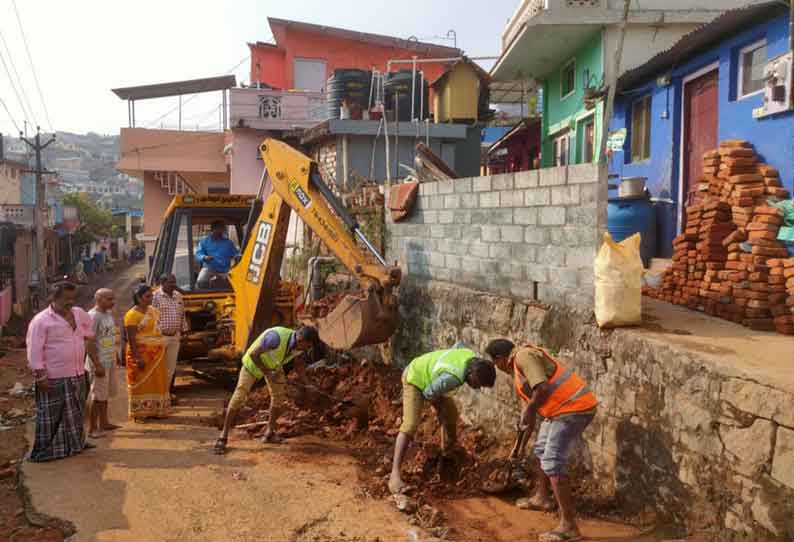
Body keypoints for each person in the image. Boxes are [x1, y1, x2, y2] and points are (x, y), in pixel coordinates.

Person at [485, 339, 598, 542]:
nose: (496, 368)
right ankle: (542, 498)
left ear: (500, 359)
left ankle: (569, 526)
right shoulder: (517, 374)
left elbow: (542, 388)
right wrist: (518, 446)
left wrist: (530, 409)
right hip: (557, 411)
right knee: (540, 451)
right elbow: (526, 417)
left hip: (573, 408)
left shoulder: (523, 356)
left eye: (495, 363)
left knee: (553, 462)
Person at [388, 348, 496, 495]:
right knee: (410, 424)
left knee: (451, 414)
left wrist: (444, 411)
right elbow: (428, 393)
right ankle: (394, 475)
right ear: (472, 374)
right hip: (415, 378)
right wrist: (439, 409)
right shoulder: (453, 378)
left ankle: (448, 453)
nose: (477, 387)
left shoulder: (470, 355)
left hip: (431, 378)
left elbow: (457, 345)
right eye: (478, 383)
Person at [26, 282, 105, 462]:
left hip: (77, 373)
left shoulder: (79, 314)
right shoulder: (41, 321)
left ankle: (76, 444)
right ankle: (45, 451)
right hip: (53, 377)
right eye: (66, 299)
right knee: (51, 416)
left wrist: (94, 359)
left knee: (76, 413)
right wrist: (40, 375)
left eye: (72, 298)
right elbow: (34, 351)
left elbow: (89, 336)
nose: (70, 302)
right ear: (54, 298)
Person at [214, 326, 319, 455]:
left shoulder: (299, 346)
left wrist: (307, 384)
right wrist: (268, 372)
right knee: (239, 396)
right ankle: (223, 436)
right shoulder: (276, 338)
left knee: (279, 397)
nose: (307, 350)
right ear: (301, 340)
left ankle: (269, 433)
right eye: (307, 346)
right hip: (252, 364)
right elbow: (254, 354)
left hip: (273, 366)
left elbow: (298, 365)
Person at [124, 284, 170, 421]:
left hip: (157, 354)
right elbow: (131, 339)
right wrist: (137, 358)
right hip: (141, 353)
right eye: (147, 296)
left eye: (151, 296)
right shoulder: (131, 315)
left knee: (158, 381)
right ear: (138, 298)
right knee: (141, 382)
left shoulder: (153, 311)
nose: (150, 299)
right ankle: (140, 413)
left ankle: (157, 410)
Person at [85, 288, 122, 438]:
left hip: (109, 358)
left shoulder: (107, 314)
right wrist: (97, 364)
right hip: (99, 362)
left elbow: (109, 336)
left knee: (105, 393)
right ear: (98, 299)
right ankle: (92, 428)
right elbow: (89, 342)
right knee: (97, 395)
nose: (112, 302)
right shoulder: (93, 316)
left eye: (113, 299)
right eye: (109, 299)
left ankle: (104, 422)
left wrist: (116, 354)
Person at [152, 273, 187, 403]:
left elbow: (182, 315)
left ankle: (165, 395)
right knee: (158, 368)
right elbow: (151, 317)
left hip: (174, 338)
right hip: (160, 338)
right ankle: (156, 396)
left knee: (170, 369)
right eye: (171, 282)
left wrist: (183, 331)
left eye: (174, 282)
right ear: (163, 283)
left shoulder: (178, 296)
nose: (174, 285)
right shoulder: (155, 297)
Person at [195, 220, 239, 289]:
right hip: (209, 269)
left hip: (225, 271)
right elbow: (198, 254)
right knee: (201, 281)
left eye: (221, 229)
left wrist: (234, 264)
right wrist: (204, 257)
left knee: (236, 284)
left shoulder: (228, 243)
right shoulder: (204, 241)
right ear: (212, 230)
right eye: (218, 229)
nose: (220, 232)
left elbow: (236, 255)